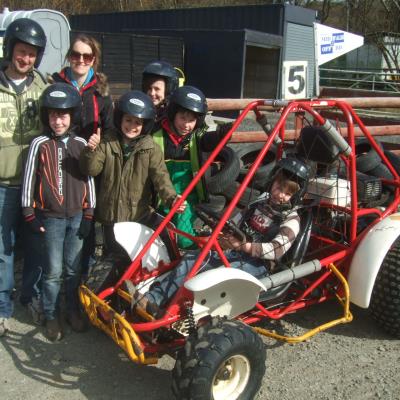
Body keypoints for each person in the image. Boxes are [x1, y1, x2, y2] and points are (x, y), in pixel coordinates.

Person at [126, 157, 311, 317]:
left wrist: (244, 246)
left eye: (288, 193)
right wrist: (221, 233)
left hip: (258, 265)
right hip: (235, 252)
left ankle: (171, 312)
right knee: (193, 258)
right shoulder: (259, 203)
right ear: (272, 182)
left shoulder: (291, 220)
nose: (280, 195)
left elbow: (276, 250)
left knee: (212, 272)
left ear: (295, 197)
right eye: (279, 187)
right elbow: (236, 221)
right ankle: (153, 301)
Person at [21, 83, 96, 341]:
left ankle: (72, 309)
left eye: (63, 115)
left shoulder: (80, 143)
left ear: (72, 116)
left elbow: (89, 180)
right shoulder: (39, 144)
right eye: (53, 115)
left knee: (73, 269)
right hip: (51, 218)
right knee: (52, 271)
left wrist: (89, 214)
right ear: (47, 117)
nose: (58, 120)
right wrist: (28, 212)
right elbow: (29, 178)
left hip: (77, 217)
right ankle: (51, 314)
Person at [79, 90, 185, 252]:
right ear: (120, 118)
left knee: (135, 254)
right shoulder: (107, 142)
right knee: (114, 255)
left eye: (138, 122)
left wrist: (171, 199)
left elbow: (161, 177)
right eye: (128, 120)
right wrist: (90, 150)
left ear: (145, 125)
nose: (132, 126)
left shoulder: (151, 148)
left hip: (137, 214)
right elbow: (91, 170)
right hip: (111, 216)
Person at [51, 34, 114, 278]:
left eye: (86, 56)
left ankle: (81, 283)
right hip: (60, 166)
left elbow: (109, 130)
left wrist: (99, 145)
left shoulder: (101, 92)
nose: (80, 60)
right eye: (76, 54)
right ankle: (52, 287)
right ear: (69, 56)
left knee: (85, 229)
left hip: (89, 168)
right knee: (57, 225)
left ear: (94, 59)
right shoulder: (56, 85)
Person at [0, 18, 47, 337]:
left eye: (31, 54)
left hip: (35, 186)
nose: (25, 58)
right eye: (21, 51)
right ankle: (2, 308)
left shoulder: (43, 87)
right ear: (10, 50)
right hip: (2, 186)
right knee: (3, 249)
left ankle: (29, 296)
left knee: (35, 246)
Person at [152, 85, 232, 249]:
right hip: (160, 195)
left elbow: (207, 142)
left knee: (184, 239)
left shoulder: (196, 138)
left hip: (186, 197)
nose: (186, 125)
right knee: (160, 236)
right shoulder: (157, 135)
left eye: (191, 120)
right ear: (173, 114)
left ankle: (199, 256)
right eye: (183, 118)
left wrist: (220, 135)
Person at [142, 60, 179, 127]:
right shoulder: (139, 112)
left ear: (168, 90)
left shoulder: (175, 117)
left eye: (157, 89)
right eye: (149, 88)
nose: (152, 93)